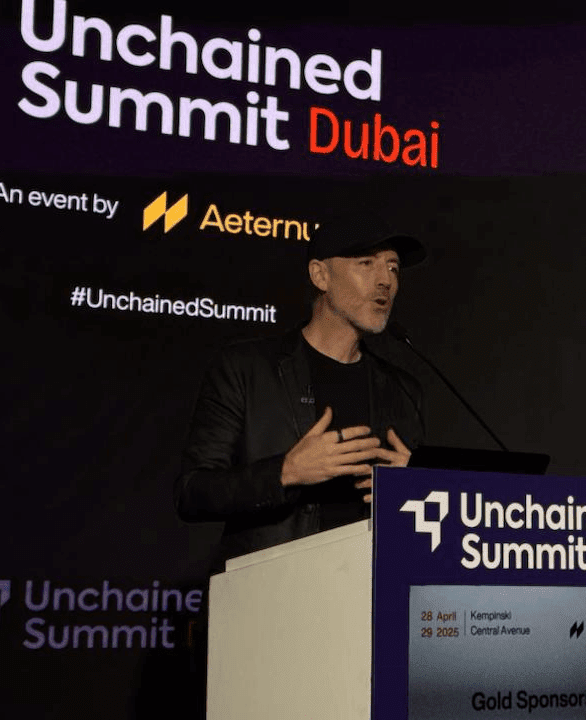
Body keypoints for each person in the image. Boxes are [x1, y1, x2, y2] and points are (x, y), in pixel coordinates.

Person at [176, 216, 426, 571]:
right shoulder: (246, 368)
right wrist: (286, 471)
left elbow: (421, 518)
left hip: (367, 589)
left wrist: (418, 487)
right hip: (274, 588)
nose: (385, 279)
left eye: (393, 267)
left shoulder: (402, 389)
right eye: (366, 263)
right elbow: (192, 492)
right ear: (320, 275)